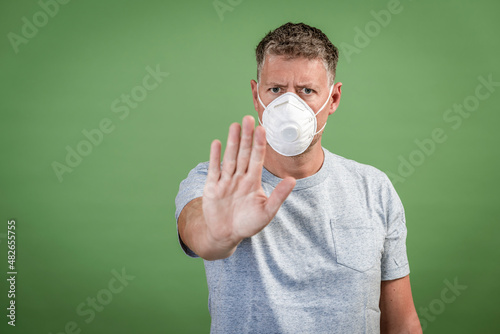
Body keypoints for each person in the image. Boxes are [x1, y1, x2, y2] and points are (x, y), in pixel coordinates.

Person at [175, 22, 422, 333]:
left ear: (333, 99)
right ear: (257, 95)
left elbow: (401, 323)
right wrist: (218, 236)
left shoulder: (373, 189)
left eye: (307, 91)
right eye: (276, 90)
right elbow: (199, 229)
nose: (289, 106)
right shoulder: (218, 183)